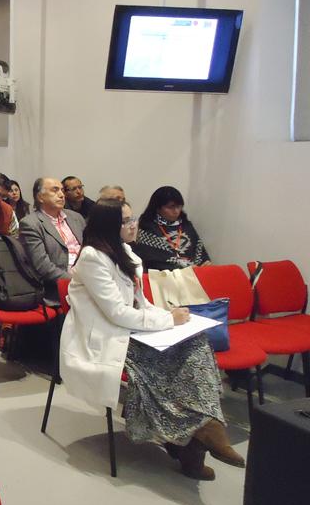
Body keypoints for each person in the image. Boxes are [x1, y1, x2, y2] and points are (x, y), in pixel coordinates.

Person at [59, 198, 244, 480]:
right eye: (126, 221)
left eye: (132, 219)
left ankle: (203, 431)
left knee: (196, 344)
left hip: (131, 328)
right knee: (161, 369)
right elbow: (117, 312)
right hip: (106, 335)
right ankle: (192, 441)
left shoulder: (125, 253)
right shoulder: (92, 258)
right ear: (109, 225)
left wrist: (171, 315)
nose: (134, 225)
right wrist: (168, 320)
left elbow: (139, 303)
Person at [19, 177, 85, 303]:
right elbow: (43, 267)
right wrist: (76, 281)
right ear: (40, 197)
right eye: (55, 190)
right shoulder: (30, 224)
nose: (61, 195)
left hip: (87, 276)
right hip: (58, 287)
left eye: (62, 190)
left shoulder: (76, 217)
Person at [133, 186, 211, 271]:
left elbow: (200, 252)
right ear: (158, 208)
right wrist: (185, 269)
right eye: (171, 207)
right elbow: (154, 261)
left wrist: (204, 264)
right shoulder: (147, 228)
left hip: (193, 274)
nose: (176, 211)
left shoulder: (186, 225)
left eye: (179, 206)